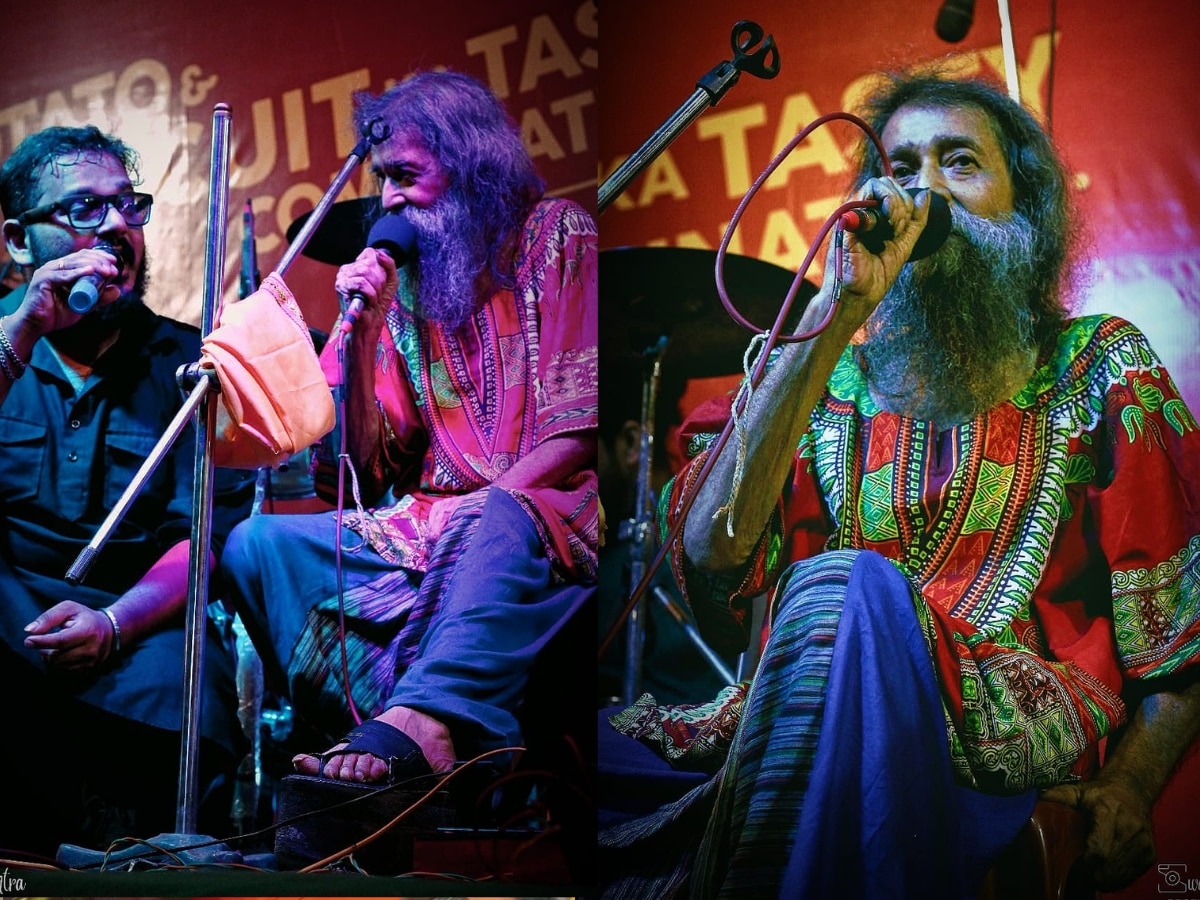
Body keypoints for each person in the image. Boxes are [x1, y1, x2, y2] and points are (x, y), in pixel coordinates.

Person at [598, 69, 1200, 898]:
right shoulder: (821, 376)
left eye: (958, 162)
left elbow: (1184, 644)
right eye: (903, 166)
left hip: (1001, 735)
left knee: (840, 588)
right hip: (808, 713)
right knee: (585, 757)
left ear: (1021, 208)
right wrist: (834, 316)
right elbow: (709, 553)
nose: (923, 189)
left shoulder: (1097, 367)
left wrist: (1130, 788)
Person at [219, 70, 598, 790]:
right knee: (255, 544)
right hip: (423, 522)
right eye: (381, 177)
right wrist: (359, 340)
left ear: (471, 166)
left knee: (491, 515)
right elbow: (368, 466)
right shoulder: (406, 284)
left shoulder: (557, 235)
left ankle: (422, 721)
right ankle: (375, 731)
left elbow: (575, 435)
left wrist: (476, 511)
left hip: (540, 509)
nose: (387, 198)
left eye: (403, 176)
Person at [0, 125, 255, 857]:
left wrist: (113, 624)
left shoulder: (192, 362)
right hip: (11, 616)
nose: (116, 227)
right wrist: (22, 334)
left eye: (126, 207)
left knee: (189, 696)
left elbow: (198, 539)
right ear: (21, 241)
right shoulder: (2, 342)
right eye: (83, 209)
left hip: (138, 626)